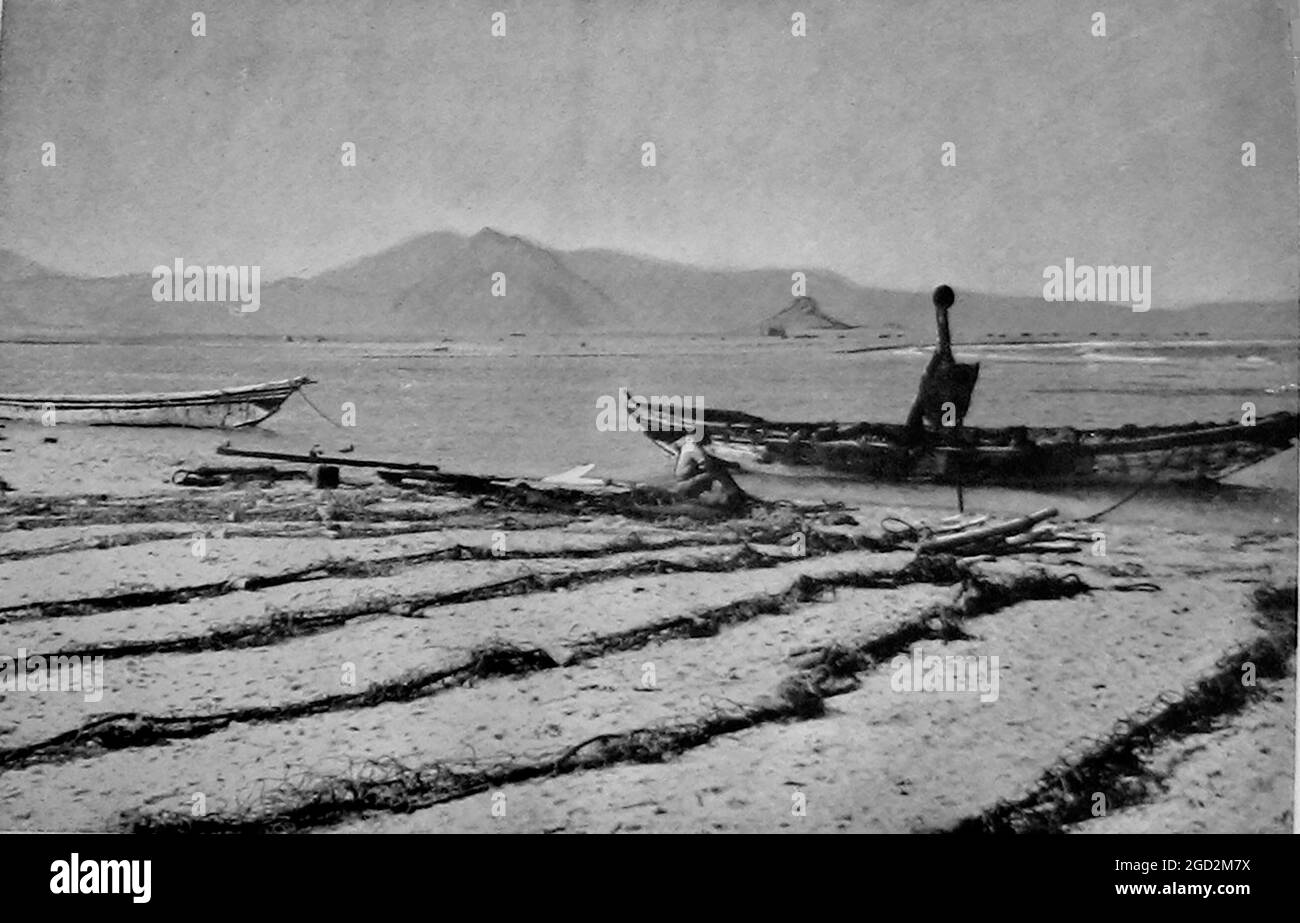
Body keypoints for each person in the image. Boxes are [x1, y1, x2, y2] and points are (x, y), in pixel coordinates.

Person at [905, 284, 980, 442]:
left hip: (935, 393)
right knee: (939, 418)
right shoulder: (947, 393)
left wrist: (941, 312)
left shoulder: (944, 391)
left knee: (926, 417)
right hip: (936, 393)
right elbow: (943, 343)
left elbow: (944, 343)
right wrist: (941, 313)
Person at [671, 429, 745, 507]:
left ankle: (733, 495)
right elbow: (708, 464)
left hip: (683, 481)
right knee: (718, 472)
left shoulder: (688, 445)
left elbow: (710, 459)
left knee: (715, 472)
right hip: (686, 483)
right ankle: (735, 496)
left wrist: (730, 464)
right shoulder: (693, 448)